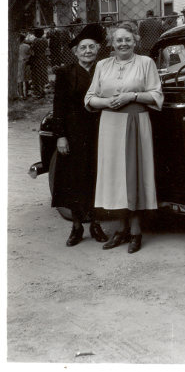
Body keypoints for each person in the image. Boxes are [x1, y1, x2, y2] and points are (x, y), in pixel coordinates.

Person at [85, 22, 164, 254]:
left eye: (127, 39)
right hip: (110, 125)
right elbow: (90, 98)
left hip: (136, 124)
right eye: (118, 40)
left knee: (134, 176)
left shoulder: (145, 63)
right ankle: (120, 230)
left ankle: (136, 231)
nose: (123, 43)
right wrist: (107, 102)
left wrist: (132, 95)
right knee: (115, 178)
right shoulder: (102, 65)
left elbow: (156, 95)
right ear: (111, 42)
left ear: (136, 40)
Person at [52, 24, 109, 247]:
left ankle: (95, 223)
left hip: (99, 130)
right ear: (75, 51)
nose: (87, 51)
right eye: (83, 47)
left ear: (97, 50)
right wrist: (60, 136)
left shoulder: (104, 70)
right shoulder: (65, 73)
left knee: (97, 175)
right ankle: (77, 226)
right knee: (74, 179)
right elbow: (59, 107)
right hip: (74, 132)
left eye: (92, 47)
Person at [30, 28, 49, 98]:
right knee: (43, 73)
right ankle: (43, 89)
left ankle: (39, 91)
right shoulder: (45, 40)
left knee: (37, 74)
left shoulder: (35, 41)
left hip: (37, 58)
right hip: (43, 57)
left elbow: (32, 49)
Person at [17, 33, 32, 99]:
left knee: (19, 78)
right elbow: (31, 54)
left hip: (19, 63)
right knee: (26, 78)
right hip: (26, 62)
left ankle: (21, 94)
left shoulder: (15, 46)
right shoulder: (27, 46)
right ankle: (27, 93)